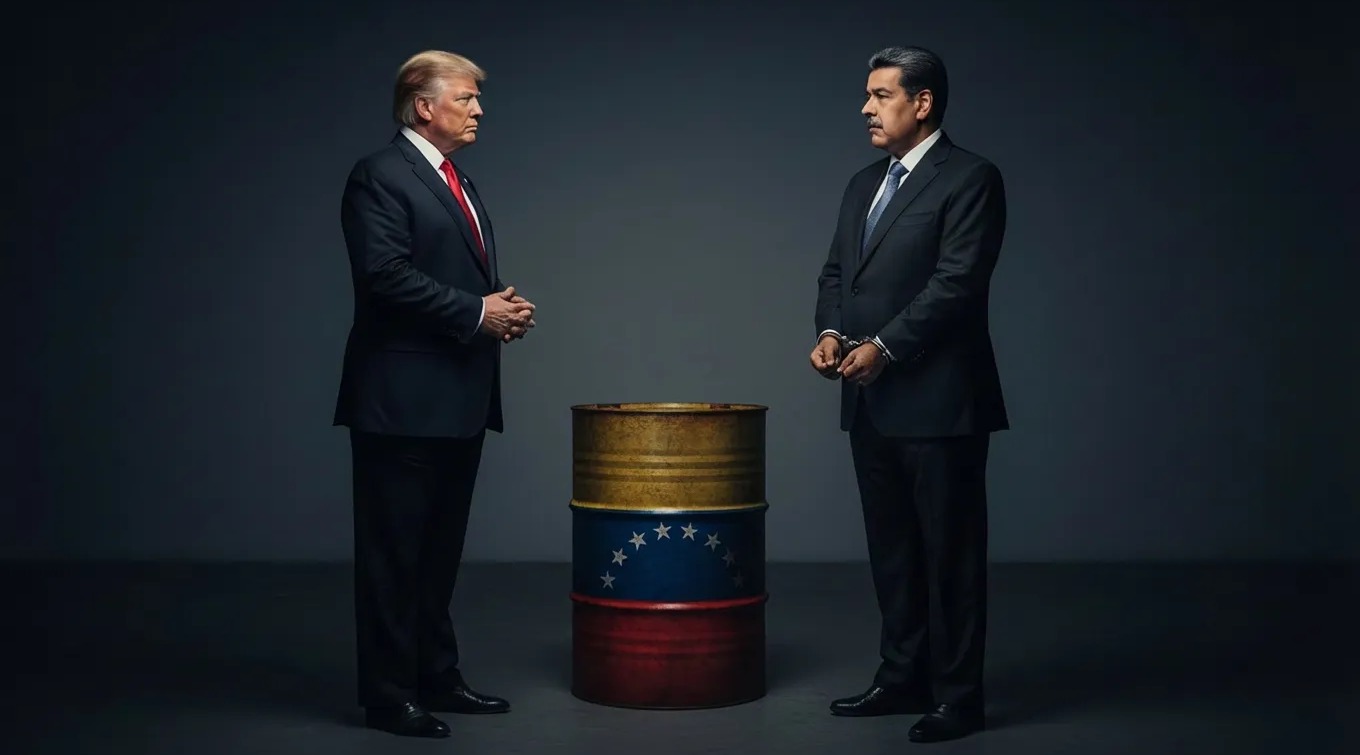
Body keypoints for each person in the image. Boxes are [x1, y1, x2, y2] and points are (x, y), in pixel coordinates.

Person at [332, 50, 536, 738]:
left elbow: (450, 273)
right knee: (394, 556)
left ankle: (436, 676)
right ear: (425, 105)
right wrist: (479, 313)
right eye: (467, 98)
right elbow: (383, 275)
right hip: (400, 400)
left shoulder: (457, 180)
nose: (479, 109)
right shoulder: (380, 175)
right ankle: (389, 696)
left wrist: (497, 305)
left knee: (438, 551)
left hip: (456, 397)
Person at [810, 45, 1007, 743]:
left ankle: (959, 697)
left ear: (922, 103)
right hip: (867, 399)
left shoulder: (971, 178)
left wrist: (884, 347)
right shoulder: (863, 182)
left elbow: (956, 283)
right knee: (892, 550)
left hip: (940, 401)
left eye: (880, 94)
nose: (866, 107)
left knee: (949, 554)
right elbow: (839, 274)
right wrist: (833, 331)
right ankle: (901, 678)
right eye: (866, 94)